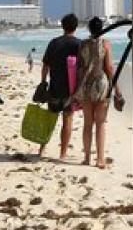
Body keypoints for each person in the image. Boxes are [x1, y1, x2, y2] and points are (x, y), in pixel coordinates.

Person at [75, 17, 123, 169]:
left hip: (86, 85)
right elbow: (109, 68)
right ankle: (100, 159)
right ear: (102, 28)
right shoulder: (105, 44)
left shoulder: (82, 44)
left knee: (87, 123)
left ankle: (87, 157)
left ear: (89, 29)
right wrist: (118, 91)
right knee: (101, 123)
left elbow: (79, 67)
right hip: (101, 85)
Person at [40, 13, 80, 160]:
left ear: (63, 26)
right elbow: (81, 67)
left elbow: (45, 65)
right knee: (68, 119)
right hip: (70, 89)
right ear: (75, 27)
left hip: (55, 87)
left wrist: (43, 82)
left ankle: (42, 149)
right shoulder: (78, 44)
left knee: (50, 118)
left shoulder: (54, 42)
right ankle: (63, 153)